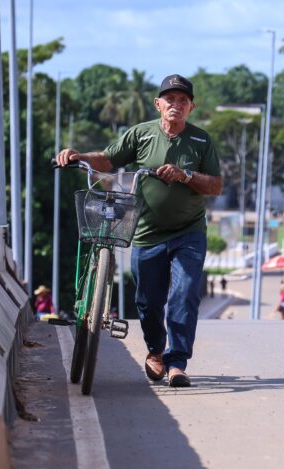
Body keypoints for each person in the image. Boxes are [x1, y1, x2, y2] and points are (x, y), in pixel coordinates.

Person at [55, 74, 222, 388]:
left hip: (189, 232)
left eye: (183, 101)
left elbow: (215, 185)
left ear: (192, 107)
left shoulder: (201, 141)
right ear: (158, 104)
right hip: (146, 233)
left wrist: (186, 175)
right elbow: (107, 159)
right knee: (147, 300)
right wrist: (77, 156)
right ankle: (156, 351)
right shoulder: (141, 134)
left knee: (184, 294)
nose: (176, 105)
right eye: (169, 99)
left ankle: (177, 363)